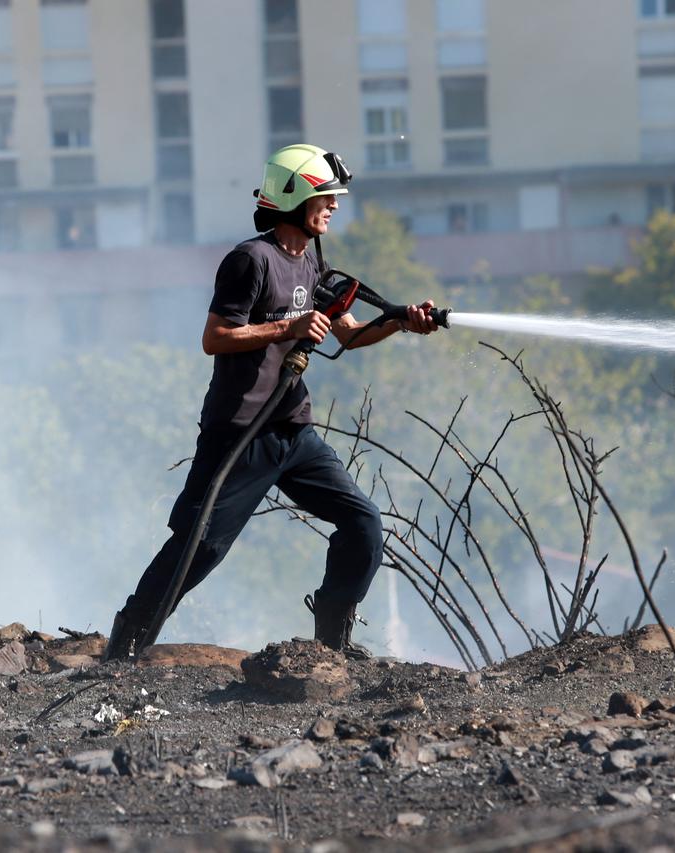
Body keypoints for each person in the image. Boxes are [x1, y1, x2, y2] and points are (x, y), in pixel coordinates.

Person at [103, 144, 440, 662]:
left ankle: (331, 646)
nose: (333, 207)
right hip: (240, 432)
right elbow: (216, 337)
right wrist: (289, 326)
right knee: (203, 545)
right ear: (296, 197)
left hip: (292, 430)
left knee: (363, 524)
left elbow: (347, 336)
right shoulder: (249, 261)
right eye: (326, 197)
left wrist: (400, 322)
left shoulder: (311, 262)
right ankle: (127, 642)